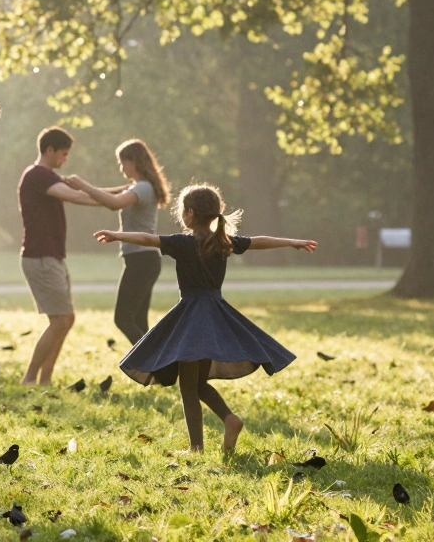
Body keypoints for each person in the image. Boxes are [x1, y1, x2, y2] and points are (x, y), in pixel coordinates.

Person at [93, 183, 315, 453]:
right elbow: (258, 241)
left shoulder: (183, 243)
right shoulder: (224, 241)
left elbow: (148, 239)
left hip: (191, 318)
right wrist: (292, 242)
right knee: (197, 383)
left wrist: (117, 235)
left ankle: (197, 445)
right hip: (215, 315)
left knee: (189, 386)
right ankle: (229, 419)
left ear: (188, 213)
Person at [65, 139, 171, 345]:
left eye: (122, 162)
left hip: (142, 260)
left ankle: (155, 364)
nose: (121, 167)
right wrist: (73, 193)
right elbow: (103, 197)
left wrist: (82, 184)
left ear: (134, 162)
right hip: (141, 260)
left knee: (123, 319)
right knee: (138, 320)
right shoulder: (139, 187)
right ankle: (154, 369)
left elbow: (113, 203)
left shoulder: (142, 188)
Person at [17, 127, 99, 386]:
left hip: (52, 256)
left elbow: (89, 193)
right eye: (63, 154)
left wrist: (129, 190)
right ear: (49, 150)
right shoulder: (38, 176)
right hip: (40, 257)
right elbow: (78, 196)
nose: (65, 160)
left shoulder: (48, 176)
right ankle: (30, 379)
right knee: (60, 320)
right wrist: (120, 199)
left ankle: (45, 379)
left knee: (67, 319)